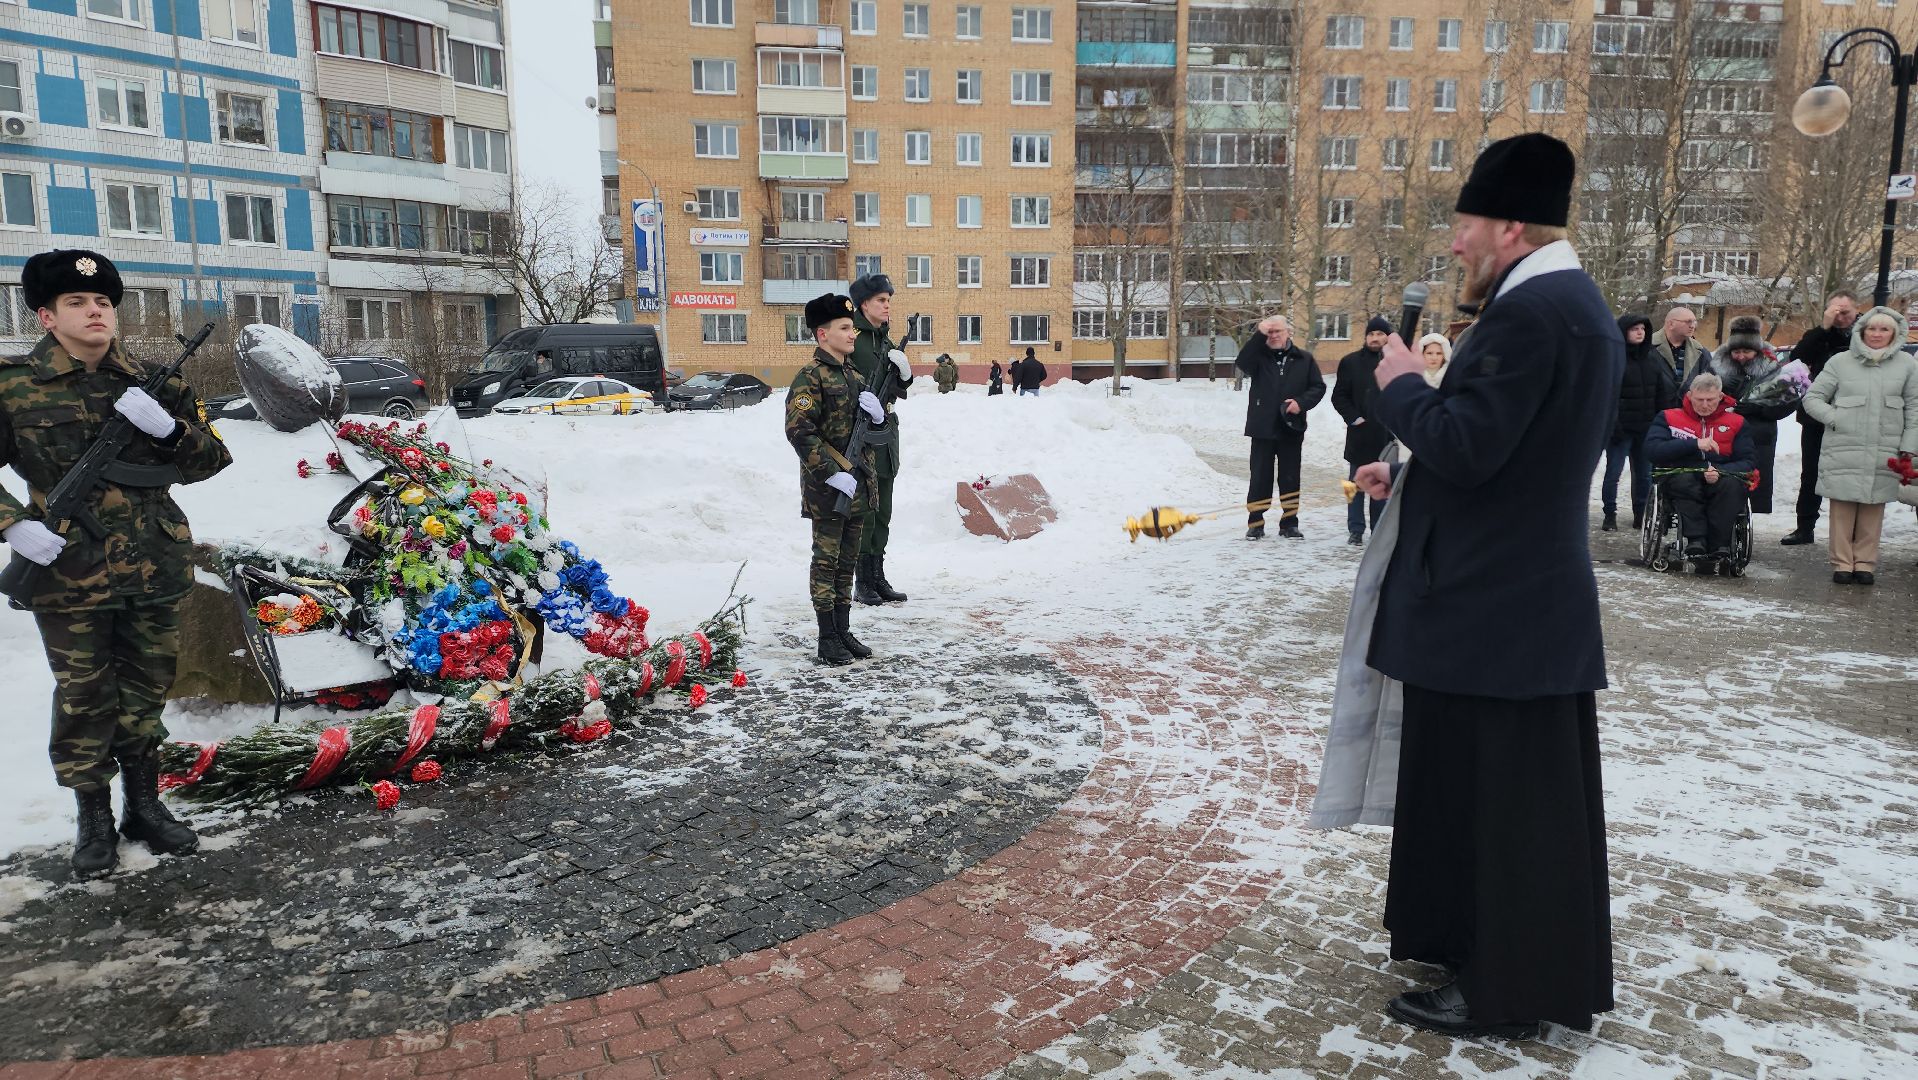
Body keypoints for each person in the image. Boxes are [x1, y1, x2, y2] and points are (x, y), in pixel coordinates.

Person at [1330, 133, 1618, 1038]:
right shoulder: (1556, 305)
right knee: (1471, 794)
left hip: (1503, 614)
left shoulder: (1538, 314)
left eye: (1465, 226)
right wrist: (1406, 472)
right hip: (1499, 606)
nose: (1455, 245)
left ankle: (1509, 988)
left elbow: (1472, 443)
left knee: (1509, 813)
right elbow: (1506, 458)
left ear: (1511, 225)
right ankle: (1469, 945)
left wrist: (1402, 388)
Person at [0, 249, 233, 877]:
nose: (95, 311)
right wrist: (14, 525)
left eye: (103, 301)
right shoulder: (13, 385)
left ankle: (145, 808)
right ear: (46, 316)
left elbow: (211, 461)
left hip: (155, 565)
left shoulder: (158, 381)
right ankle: (93, 819)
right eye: (77, 302)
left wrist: (170, 431)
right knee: (84, 696)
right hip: (66, 568)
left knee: (147, 690)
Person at [785, 292, 884, 663]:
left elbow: (873, 433)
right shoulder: (810, 378)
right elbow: (800, 432)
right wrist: (830, 474)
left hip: (857, 486)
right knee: (826, 562)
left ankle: (843, 631)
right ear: (822, 334)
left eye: (852, 327)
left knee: (847, 563)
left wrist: (880, 417)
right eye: (844, 328)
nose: (852, 333)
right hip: (828, 490)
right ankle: (827, 637)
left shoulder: (855, 375)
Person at [1800, 306, 1918, 586]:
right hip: (1844, 445)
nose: (1877, 334)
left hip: (1885, 447)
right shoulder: (1840, 362)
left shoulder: (1907, 365)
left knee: (1873, 507)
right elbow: (1813, 397)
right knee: (1842, 506)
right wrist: (1835, 419)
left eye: (1884, 329)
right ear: (1861, 331)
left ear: (1895, 333)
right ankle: (1842, 563)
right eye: (1871, 329)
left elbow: (1914, 408)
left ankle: (1865, 563)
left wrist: (1909, 445)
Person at [846, 274, 914, 606]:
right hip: (861, 434)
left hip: (886, 431)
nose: (887, 305)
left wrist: (905, 374)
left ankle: (878, 576)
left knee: (883, 510)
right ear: (864, 305)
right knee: (866, 511)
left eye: (889, 300)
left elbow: (900, 390)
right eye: (880, 301)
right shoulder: (852, 339)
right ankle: (862, 582)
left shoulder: (885, 342)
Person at [1643, 373, 1755, 570]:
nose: (1704, 405)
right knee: (1683, 481)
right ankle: (1696, 540)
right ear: (1689, 395)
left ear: (1720, 397)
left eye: (1710, 400)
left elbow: (1748, 461)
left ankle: (1719, 544)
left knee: (1731, 485)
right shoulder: (1668, 417)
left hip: (1721, 474)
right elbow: (1653, 451)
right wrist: (1694, 444)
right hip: (1681, 473)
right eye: (1699, 399)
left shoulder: (1737, 422)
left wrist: (1719, 471)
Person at [1684, 316, 1793, 517]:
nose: (1741, 356)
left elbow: (1786, 402)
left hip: (1758, 434)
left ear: (1757, 350)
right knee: (1721, 481)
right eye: (1736, 351)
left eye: (1747, 351)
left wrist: (1759, 409)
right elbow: (1696, 392)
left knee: (1751, 481)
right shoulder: (1716, 365)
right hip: (1723, 432)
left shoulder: (1772, 366)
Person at [1236, 315, 1324, 539]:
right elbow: (1242, 362)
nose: (1274, 336)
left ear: (1288, 333)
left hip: (1291, 428)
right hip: (1262, 427)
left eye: (1278, 331)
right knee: (1260, 477)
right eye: (1270, 332)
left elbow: (1318, 387)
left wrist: (1300, 404)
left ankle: (1289, 523)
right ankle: (1256, 522)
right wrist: (1259, 333)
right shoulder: (1258, 358)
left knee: (1290, 477)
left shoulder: (1304, 359)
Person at [1782, 290, 1859, 545]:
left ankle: (1853, 532)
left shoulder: (1865, 334)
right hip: (1816, 414)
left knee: (1851, 473)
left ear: (1856, 310)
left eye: (1845, 311)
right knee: (1811, 473)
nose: (1840, 316)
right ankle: (1805, 526)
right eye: (1834, 311)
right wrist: (1823, 328)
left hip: (1854, 415)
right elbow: (1798, 357)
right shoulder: (1818, 336)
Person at [1600, 314, 1677, 532]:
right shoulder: (1613, 357)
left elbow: (1661, 392)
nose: (1640, 332)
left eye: (1643, 328)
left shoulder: (1651, 357)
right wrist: (1612, 424)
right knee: (1613, 473)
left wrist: (1661, 423)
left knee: (1644, 474)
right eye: (1634, 328)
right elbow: (1606, 394)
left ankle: (1641, 515)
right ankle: (1610, 515)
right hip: (1620, 429)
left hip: (1646, 428)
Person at [1333, 316, 1392, 545]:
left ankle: (1378, 528)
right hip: (1359, 434)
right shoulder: (1350, 362)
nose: (1375, 338)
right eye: (1371, 334)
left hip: (1386, 435)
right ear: (1366, 337)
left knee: (1381, 485)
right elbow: (1339, 396)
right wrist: (1354, 418)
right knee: (1352, 485)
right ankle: (1355, 528)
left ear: (1388, 337)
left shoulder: (1394, 362)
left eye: (1380, 334)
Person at [1652, 305, 1705, 383]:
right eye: (1688, 322)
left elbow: (1708, 385)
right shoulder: (1647, 347)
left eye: (1694, 322)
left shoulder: (1700, 352)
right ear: (1671, 324)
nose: (1692, 326)